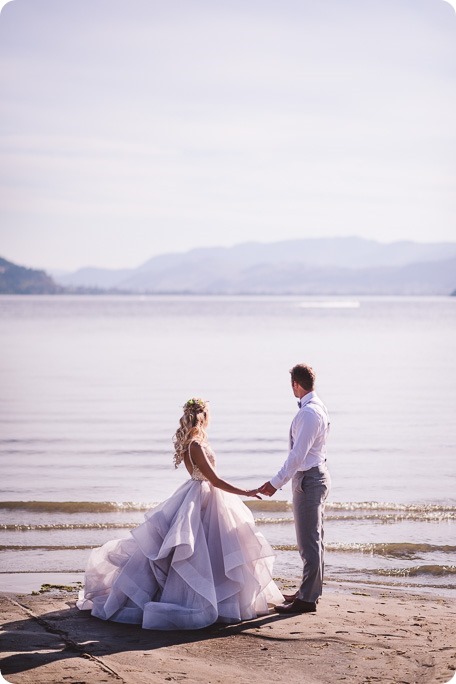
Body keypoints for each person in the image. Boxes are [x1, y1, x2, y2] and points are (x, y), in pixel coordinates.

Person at [77, 398, 283, 630]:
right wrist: (246, 491)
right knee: (200, 552)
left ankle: (220, 601)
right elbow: (214, 480)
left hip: (201, 495)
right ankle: (205, 602)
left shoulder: (194, 443)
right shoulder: (195, 445)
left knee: (213, 551)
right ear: (203, 416)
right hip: (204, 495)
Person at [258, 364, 331, 614]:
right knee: (314, 540)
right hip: (314, 476)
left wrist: (275, 483)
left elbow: (297, 456)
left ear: (295, 385)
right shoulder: (315, 408)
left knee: (308, 542)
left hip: (309, 480)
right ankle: (309, 591)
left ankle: (307, 600)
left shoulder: (309, 413)